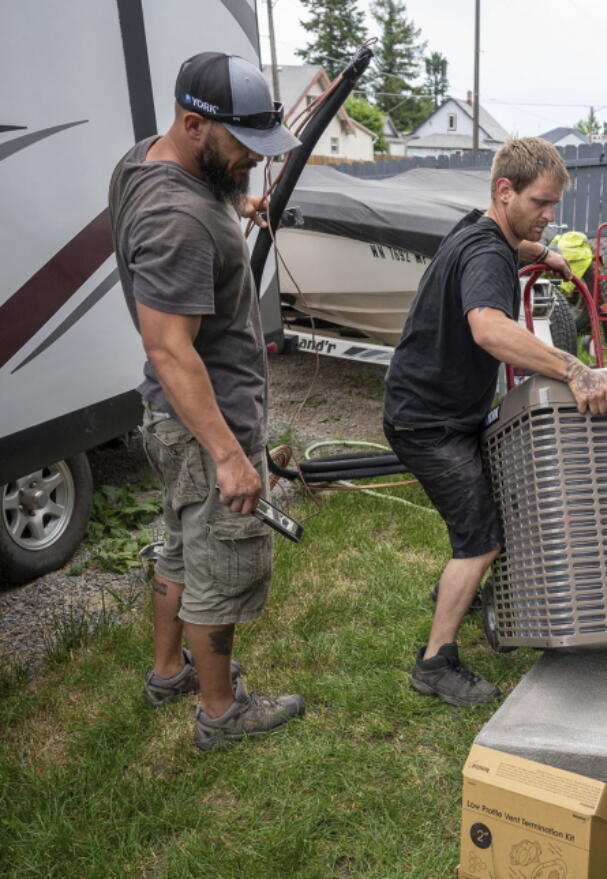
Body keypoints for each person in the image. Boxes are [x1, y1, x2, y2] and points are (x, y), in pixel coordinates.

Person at [108, 52, 305, 750]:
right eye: (243, 148)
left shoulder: (149, 161)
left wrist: (236, 204)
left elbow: (203, 195)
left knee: (180, 546)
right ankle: (222, 713)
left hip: (170, 418)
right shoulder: (179, 218)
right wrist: (229, 456)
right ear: (194, 123)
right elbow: (169, 347)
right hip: (204, 425)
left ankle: (169, 670)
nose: (254, 160)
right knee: (221, 565)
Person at [383, 137, 607, 707]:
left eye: (553, 204)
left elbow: (503, 249)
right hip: (429, 422)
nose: (549, 214)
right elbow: (489, 328)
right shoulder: (487, 253)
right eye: (541, 202)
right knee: (481, 539)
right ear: (504, 191)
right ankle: (436, 662)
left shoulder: (479, 231)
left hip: (442, 408)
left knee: (499, 503)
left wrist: (542, 253)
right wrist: (574, 369)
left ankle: (452, 590)